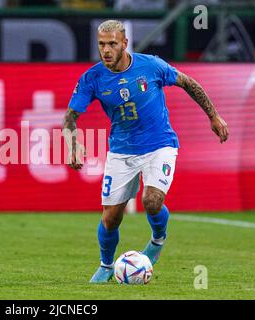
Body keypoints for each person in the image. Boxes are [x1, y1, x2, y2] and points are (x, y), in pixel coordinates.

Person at [62, 20, 229, 283]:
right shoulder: (92, 78)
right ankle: (106, 265)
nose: (106, 50)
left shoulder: (151, 66)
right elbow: (70, 117)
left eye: (112, 44)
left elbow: (187, 82)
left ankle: (157, 240)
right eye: (102, 44)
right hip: (121, 151)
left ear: (125, 44)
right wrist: (72, 143)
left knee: (151, 201)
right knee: (110, 218)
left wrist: (214, 116)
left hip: (159, 145)